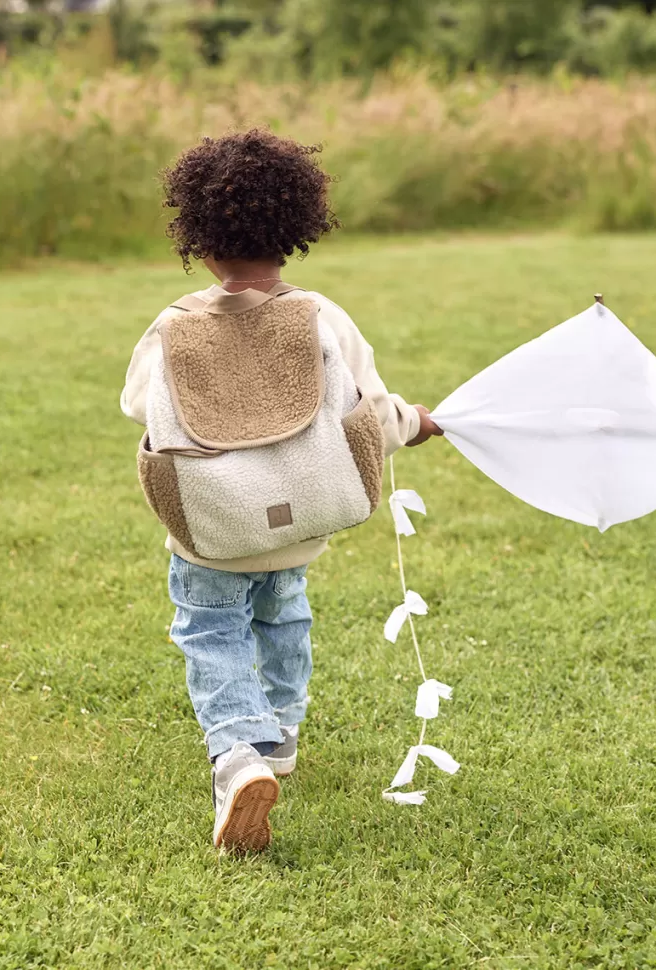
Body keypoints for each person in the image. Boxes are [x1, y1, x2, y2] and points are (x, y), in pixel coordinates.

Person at [120, 129, 444, 852]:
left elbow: (138, 405)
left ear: (199, 240)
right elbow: (370, 411)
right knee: (284, 611)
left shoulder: (174, 326)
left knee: (211, 630)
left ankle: (238, 755)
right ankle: (282, 732)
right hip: (303, 515)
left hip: (210, 526)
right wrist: (418, 424)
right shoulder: (322, 317)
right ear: (295, 232)